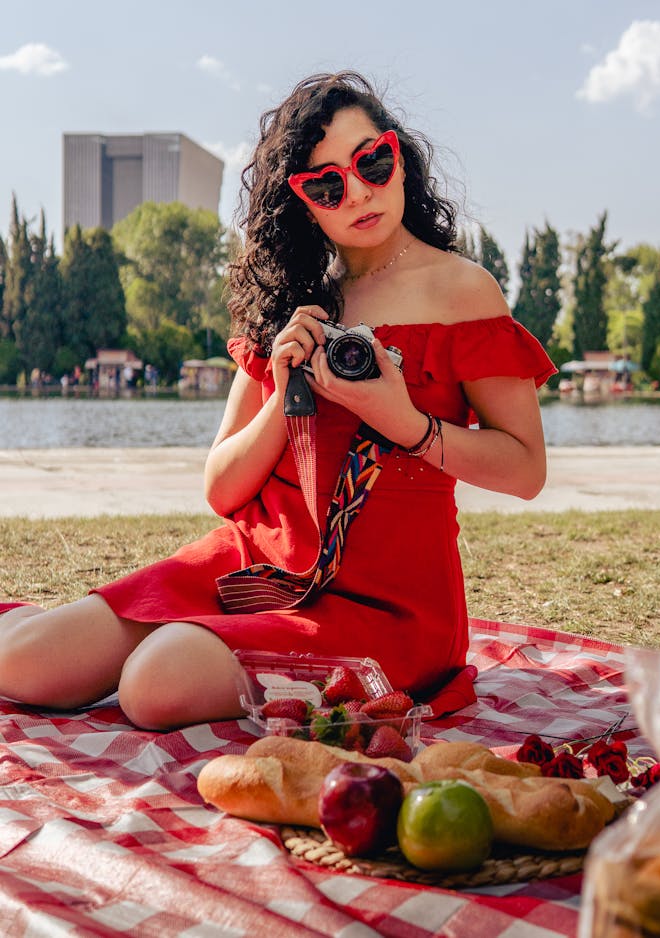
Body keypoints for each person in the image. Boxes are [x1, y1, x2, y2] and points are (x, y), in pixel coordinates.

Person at [0, 71, 555, 731]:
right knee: (23, 665)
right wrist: (283, 394)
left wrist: (404, 422)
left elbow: (525, 469)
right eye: (325, 184)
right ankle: (122, 636)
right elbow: (223, 488)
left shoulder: (464, 290)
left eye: (373, 161)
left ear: (398, 153)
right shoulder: (292, 295)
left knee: (154, 688)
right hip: (251, 567)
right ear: (302, 202)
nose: (358, 191)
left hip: (387, 601)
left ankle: (176, 647)